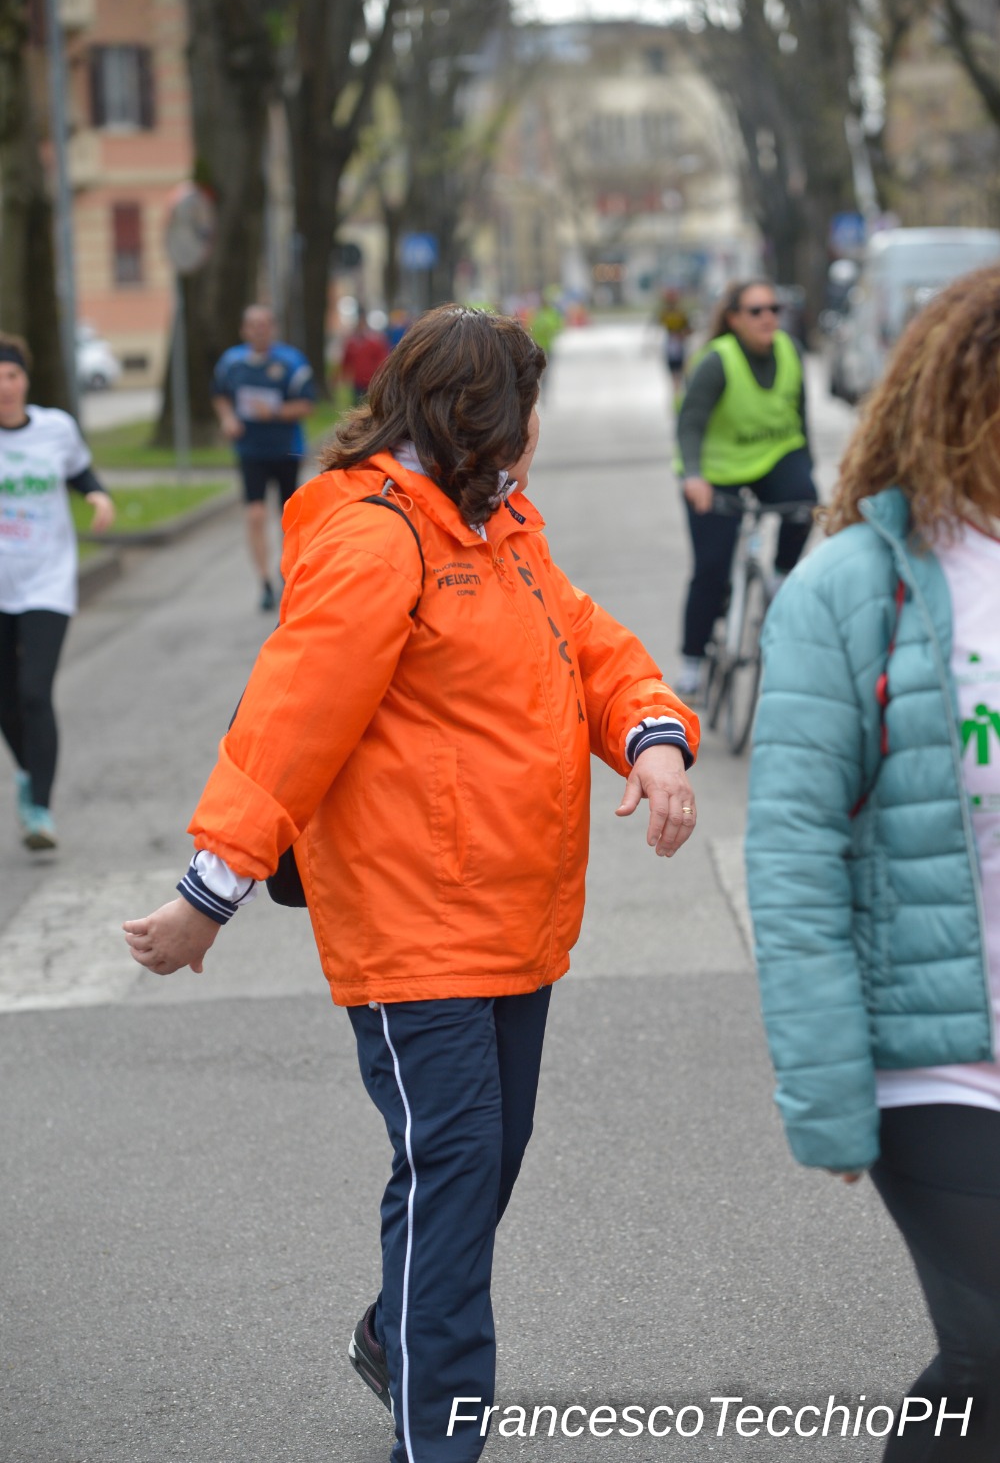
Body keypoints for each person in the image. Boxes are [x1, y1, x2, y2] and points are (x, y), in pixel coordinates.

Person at [122, 305, 700, 1463]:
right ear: (484, 415)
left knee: (472, 1170)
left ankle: (395, 1331)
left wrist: (651, 737)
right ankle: (437, 1434)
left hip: (514, 917)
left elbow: (591, 651)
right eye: (528, 405)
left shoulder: (498, 524)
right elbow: (288, 723)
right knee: (457, 1171)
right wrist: (208, 893)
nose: (537, 427)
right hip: (415, 924)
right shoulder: (377, 537)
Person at [745, 266, 1000, 1461]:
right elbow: (793, 858)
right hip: (939, 1061)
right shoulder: (851, 590)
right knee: (989, 1352)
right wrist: (828, 1089)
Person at [674, 278, 818, 698]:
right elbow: (690, 423)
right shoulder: (717, 361)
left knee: (805, 502)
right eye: (756, 310)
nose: (768, 317)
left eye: (774, 308)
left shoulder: (790, 350)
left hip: (774, 457)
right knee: (711, 569)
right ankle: (692, 663)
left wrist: (807, 464)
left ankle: (778, 576)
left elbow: (801, 413)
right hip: (718, 470)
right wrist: (693, 476)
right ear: (735, 319)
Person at [0, 332, 114, 850]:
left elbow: (80, 472)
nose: (5, 386)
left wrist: (98, 496)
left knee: (33, 690)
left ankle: (40, 811)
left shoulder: (55, 429)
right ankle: (30, 772)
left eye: (12, 375)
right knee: (5, 699)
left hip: (46, 578)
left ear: (25, 380)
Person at [212, 305, 316, 612]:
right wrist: (228, 418)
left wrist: (274, 411)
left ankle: (289, 575)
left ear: (273, 328)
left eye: (265, 324)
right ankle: (264, 582)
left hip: (286, 449)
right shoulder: (231, 362)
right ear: (244, 330)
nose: (259, 330)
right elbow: (220, 395)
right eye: (253, 324)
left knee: (287, 518)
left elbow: (307, 405)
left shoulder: (292, 361)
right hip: (250, 451)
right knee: (255, 514)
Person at [338, 307, 390, 404]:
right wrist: (343, 375)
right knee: (358, 403)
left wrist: (379, 376)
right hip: (358, 381)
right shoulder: (351, 343)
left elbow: (382, 360)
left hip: (371, 380)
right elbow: (346, 360)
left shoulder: (375, 342)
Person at [653, 286, 692, 397]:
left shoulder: (681, 312)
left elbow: (689, 329)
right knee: (675, 376)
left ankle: (679, 396)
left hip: (679, 346)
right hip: (671, 346)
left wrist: (681, 334)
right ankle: (677, 396)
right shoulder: (665, 312)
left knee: (681, 374)